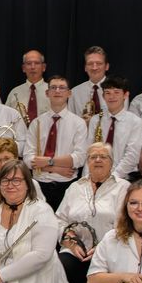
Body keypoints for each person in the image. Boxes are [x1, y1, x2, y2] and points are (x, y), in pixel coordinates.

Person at [55, 143, 131, 283]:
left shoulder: (124, 187)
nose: (98, 160)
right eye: (93, 157)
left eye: (103, 157)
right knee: (61, 265)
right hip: (77, 250)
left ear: (111, 162)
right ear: (87, 162)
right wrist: (70, 241)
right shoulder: (75, 187)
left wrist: (102, 248)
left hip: (111, 251)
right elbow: (59, 220)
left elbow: (126, 225)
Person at [25, 75, 87, 210]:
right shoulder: (36, 123)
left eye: (62, 88)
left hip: (67, 185)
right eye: (53, 87)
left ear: (69, 93)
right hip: (39, 184)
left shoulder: (79, 124)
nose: (57, 91)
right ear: (47, 93)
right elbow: (27, 158)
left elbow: (79, 158)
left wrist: (47, 162)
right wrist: (55, 168)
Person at [86, 77, 142, 181]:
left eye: (116, 92)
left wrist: (112, 177)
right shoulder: (96, 120)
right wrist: (88, 177)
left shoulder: (135, 122)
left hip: (123, 177)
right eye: (107, 93)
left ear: (125, 95)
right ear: (103, 96)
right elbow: (89, 151)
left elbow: (132, 156)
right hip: (96, 176)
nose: (112, 97)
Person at [5, 49, 49, 124]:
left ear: (44, 67)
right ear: (23, 68)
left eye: (37, 63)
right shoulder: (14, 93)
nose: (33, 67)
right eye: (29, 63)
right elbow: (6, 118)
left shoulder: (53, 92)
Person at [69, 46, 110, 121]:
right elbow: (71, 122)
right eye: (90, 63)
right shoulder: (74, 92)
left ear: (107, 66)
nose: (94, 68)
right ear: (85, 68)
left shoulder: (118, 90)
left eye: (99, 63)